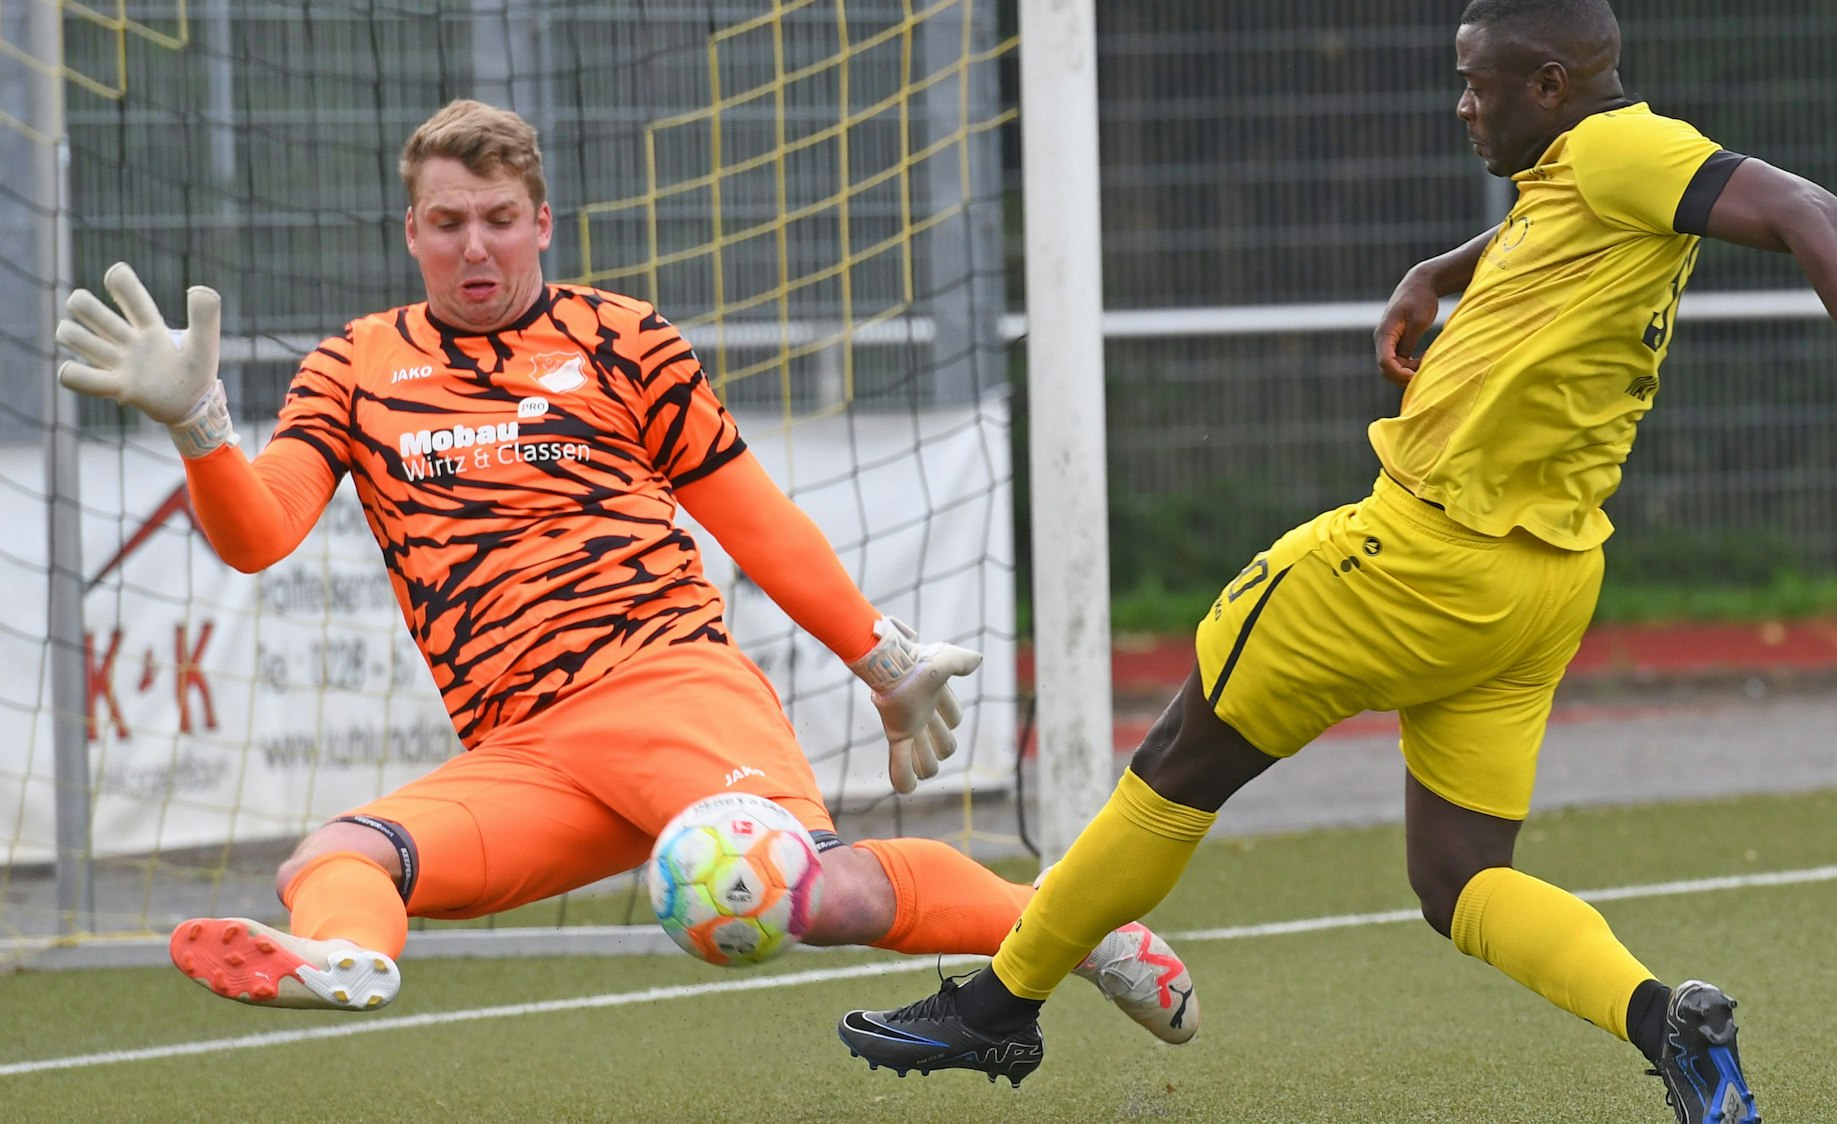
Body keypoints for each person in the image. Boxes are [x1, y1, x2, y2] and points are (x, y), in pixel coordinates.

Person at [836, 1, 1837, 1119]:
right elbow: (1552, 218)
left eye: (1482, 81)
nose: (1463, 103)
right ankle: (1662, 1020)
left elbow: (1815, 211)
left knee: (1180, 756)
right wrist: (1443, 265)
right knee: (1458, 877)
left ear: (1551, 87)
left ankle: (999, 1003)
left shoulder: (1629, 148)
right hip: (1536, 586)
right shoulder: (1585, 171)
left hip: (1414, 558)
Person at [52, 98, 1200, 1045]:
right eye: (447, 222)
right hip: (523, 746)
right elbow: (259, 534)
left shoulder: (622, 338)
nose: (474, 246)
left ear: (541, 221)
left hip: (666, 688)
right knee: (338, 853)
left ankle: (1076, 929)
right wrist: (202, 422)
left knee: (826, 895)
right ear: (411, 232)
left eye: (498, 218)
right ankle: (347, 955)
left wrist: (881, 656)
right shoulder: (353, 366)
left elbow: (756, 521)